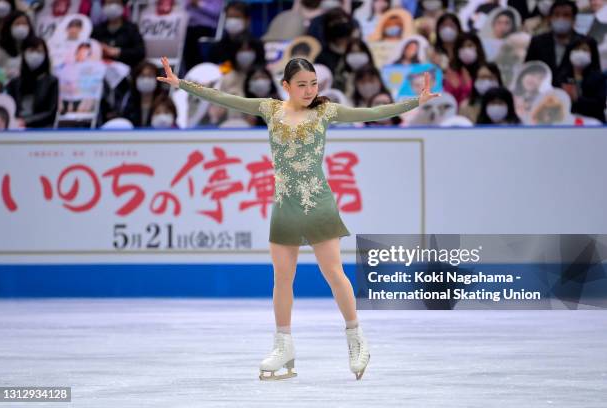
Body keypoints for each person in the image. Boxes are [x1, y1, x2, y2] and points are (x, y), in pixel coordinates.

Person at [157, 56, 440, 381]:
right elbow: (225, 98)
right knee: (282, 278)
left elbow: (372, 113)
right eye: (302, 84)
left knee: (333, 273)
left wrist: (414, 103)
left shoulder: (326, 111)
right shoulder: (270, 109)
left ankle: (356, 337)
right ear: (287, 86)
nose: (309, 90)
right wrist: (181, 84)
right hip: (285, 204)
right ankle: (284, 345)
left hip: (317, 202)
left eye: (314, 83)